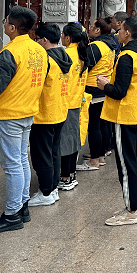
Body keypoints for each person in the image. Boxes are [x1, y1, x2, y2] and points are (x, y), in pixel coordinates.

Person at [0, 6, 48, 233]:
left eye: (6, 21)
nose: (4, 24)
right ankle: (22, 206)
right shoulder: (39, 50)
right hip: (27, 110)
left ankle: (11, 215)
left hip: (9, 113)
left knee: (12, 165)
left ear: (12, 27)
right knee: (20, 160)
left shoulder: (10, 52)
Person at [97, 16, 137, 226]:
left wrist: (104, 85)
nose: (117, 32)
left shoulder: (127, 56)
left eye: (120, 29)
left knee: (126, 163)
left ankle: (131, 210)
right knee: (136, 160)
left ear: (127, 32)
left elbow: (119, 91)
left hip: (125, 115)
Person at [27, 23, 72, 207]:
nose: (37, 42)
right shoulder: (64, 56)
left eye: (37, 39)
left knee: (41, 155)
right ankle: (52, 189)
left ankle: (46, 192)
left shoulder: (46, 59)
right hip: (60, 111)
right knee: (53, 152)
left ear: (44, 40)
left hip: (44, 114)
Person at [77, 18, 117, 171]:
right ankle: (100, 155)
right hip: (103, 87)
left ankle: (94, 161)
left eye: (92, 26)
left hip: (93, 88)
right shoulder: (110, 45)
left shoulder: (96, 46)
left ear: (98, 30)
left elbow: (85, 65)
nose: (89, 28)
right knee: (102, 124)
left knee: (94, 126)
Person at [58, 22, 88, 191]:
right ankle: (70, 174)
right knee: (72, 139)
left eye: (63, 35)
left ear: (68, 38)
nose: (61, 37)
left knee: (65, 142)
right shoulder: (82, 53)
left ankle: (65, 177)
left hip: (65, 102)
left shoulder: (65, 54)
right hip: (76, 101)